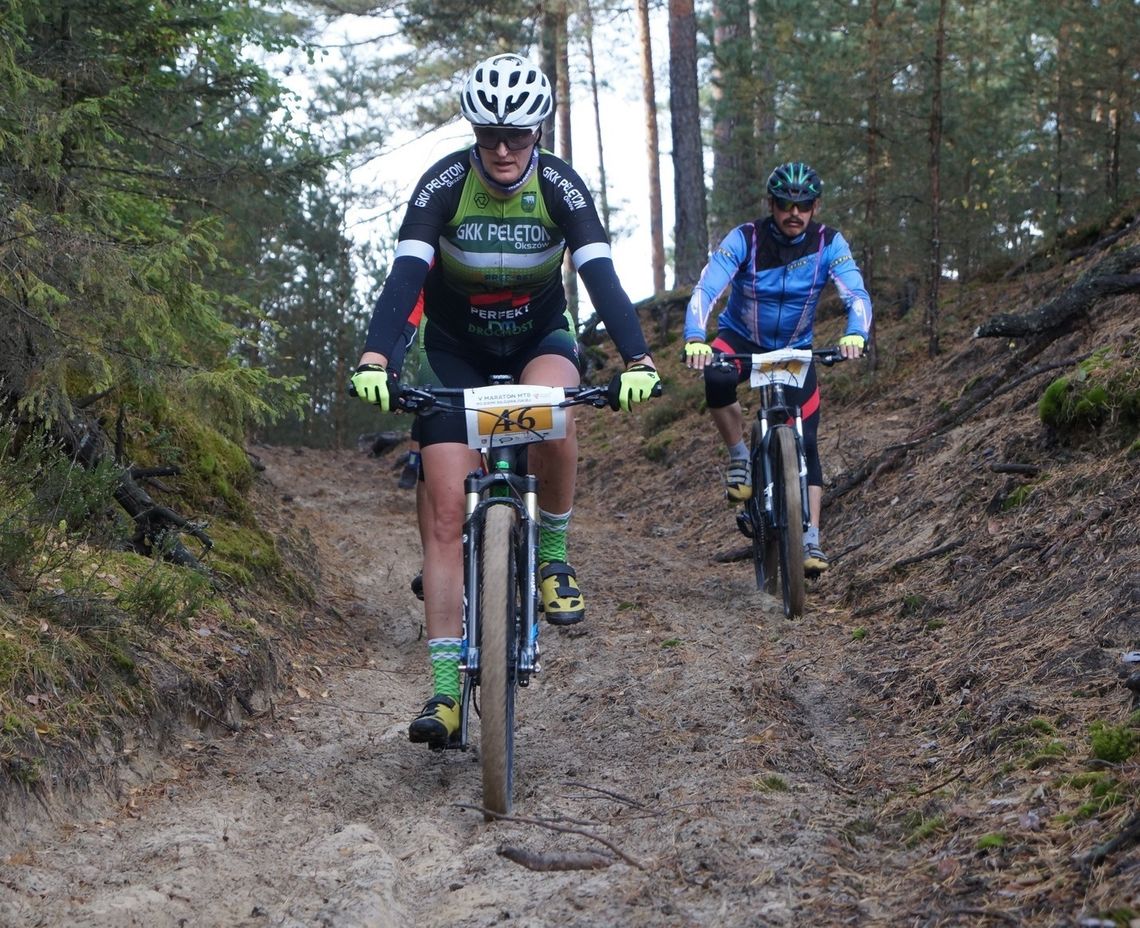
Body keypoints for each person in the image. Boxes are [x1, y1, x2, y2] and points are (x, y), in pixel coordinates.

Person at [350, 53, 660, 746]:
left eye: (517, 135)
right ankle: (443, 693)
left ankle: (551, 551)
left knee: (556, 410)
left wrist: (639, 357)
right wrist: (376, 357)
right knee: (441, 513)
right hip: (453, 351)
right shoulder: (444, 184)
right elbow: (405, 277)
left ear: (539, 131)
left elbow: (601, 274)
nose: (501, 150)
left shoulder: (559, 186)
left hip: (536, 339)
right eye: (488, 134)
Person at [682, 161, 871, 575]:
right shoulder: (746, 238)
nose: (794, 213)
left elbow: (855, 292)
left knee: (808, 442)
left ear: (815, 206)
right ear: (772, 203)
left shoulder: (829, 244)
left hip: (795, 348)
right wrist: (695, 336)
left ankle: (811, 539)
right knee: (716, 375)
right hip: (741, 339)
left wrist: (855, 333)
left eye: (803, 205)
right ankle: (738, 456)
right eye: (785, 204)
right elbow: (708, 287)